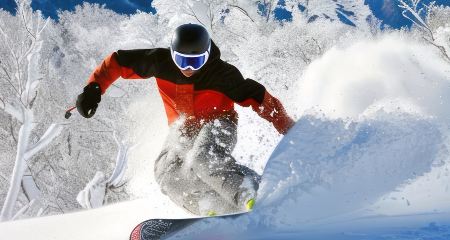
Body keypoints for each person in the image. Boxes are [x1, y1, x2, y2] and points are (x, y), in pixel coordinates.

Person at [73, 23, 294, 216]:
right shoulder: (160, 62)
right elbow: (117, 62)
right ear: (172, 53)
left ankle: (250, 192)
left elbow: (259, 99)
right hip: (182, 128)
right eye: (181, 60)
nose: (188, 68)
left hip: (218, 123)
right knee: (165, 172)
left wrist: (287, 126)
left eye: (196, 62)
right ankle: (208, 203)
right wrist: (93, 90)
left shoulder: (222, 74)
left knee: (202, 159)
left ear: (207, 56)